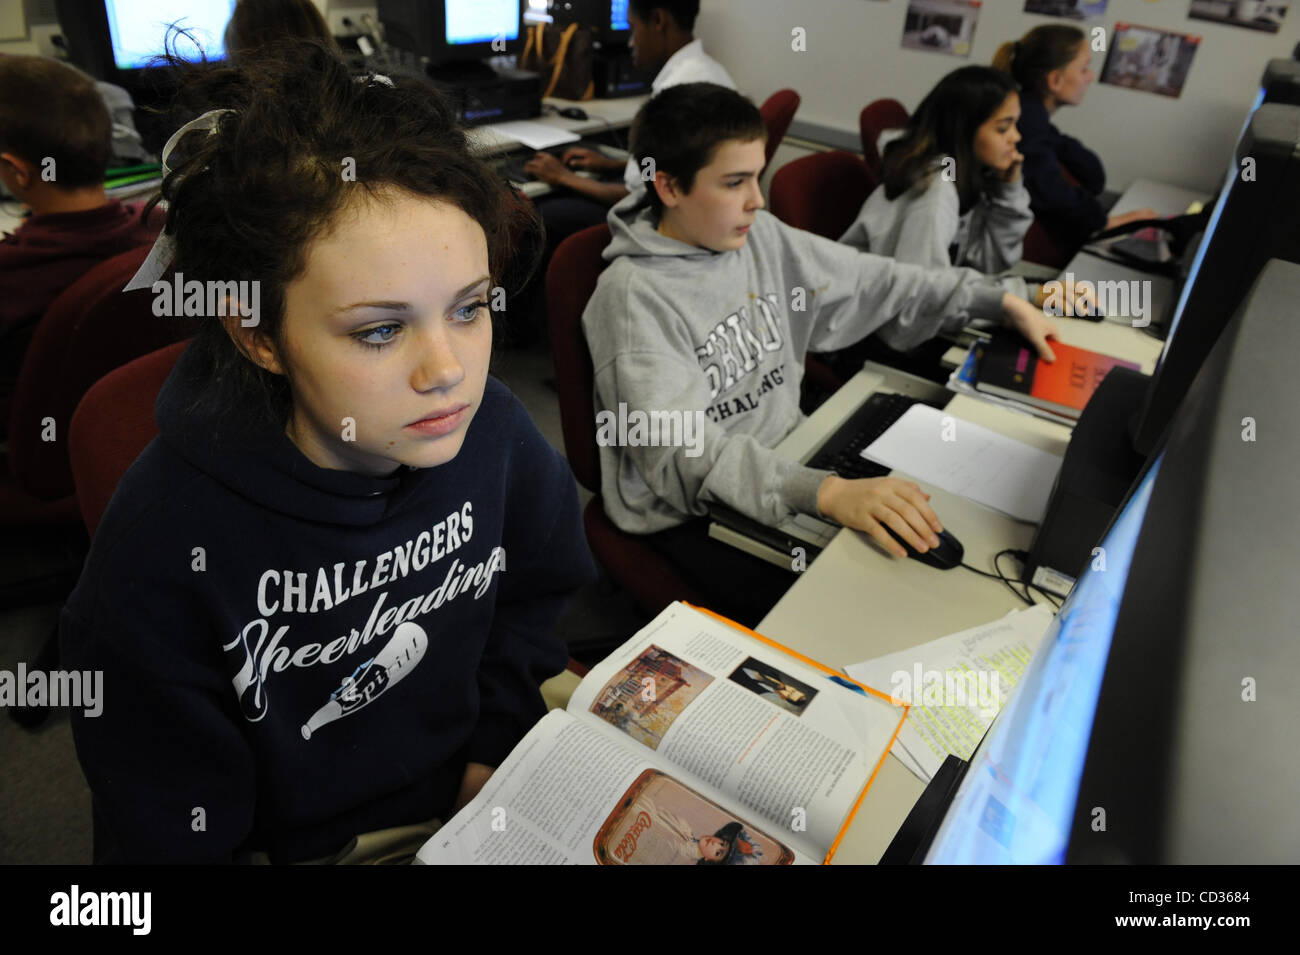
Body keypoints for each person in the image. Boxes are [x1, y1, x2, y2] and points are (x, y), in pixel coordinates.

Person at [58, 41, 595, 864]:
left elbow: (534, 592)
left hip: (477, 794)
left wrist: (494, 744)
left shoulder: (495, 432)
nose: (447, 371)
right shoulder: (160, 551)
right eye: (380, 329)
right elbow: (171, 822)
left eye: (468, 308)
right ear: (259, 334)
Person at [582, 84, 1059, 626]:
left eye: (758, 177)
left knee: (950, 534)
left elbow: (873, 277)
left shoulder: (756, 237)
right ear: (667, 185)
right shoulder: (631, 299)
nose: (756, 200)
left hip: (791, 458)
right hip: (691, 511)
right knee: (874, 613)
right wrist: (823, 492)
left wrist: (999, 299)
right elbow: (677, 459)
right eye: (734, 183)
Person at [841, 66, 1094, 315]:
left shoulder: (964, 175)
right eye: (1003, 128)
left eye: (1016, 125)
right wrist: (1022, 296)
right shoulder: (934, 194)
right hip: (864, 325)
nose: (1016, 137)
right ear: (964, 131)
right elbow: (919, 301)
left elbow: (987, 264)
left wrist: (1007, 191)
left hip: (892, 313)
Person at [0, 55, 158, 420]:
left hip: (35, 445)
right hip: (131, 427)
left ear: (18, 171)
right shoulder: (162, 229)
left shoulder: (12, 274)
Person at [524, 0, 735, 269]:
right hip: (696, 216)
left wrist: (563, 177)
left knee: (540, 213)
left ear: (658, 21)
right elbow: (681, 164)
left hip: (656, 221)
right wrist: (611, 163)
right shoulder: (710, 71)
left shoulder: (677, 92)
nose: (631, 42)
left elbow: (637, 196)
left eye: (633, 28)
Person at [992, 25, 1157, 254]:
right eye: (1084, 69)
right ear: (1055, 80)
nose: (1090, 77)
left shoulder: (1033, 117)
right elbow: (1051, 192)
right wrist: (1107, 222)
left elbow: (1091, 174)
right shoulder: (1025, 122)